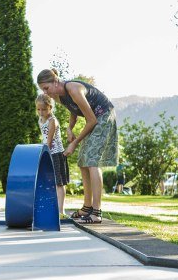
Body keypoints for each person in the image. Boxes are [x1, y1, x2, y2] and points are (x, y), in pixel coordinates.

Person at [37, 69, 118, 223]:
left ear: (55, 82)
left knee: (92, 161)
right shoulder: (58, 96)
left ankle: (96, 212)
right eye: (42, 90)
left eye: (46, 88)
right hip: (95, 118)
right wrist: (69, 128)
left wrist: (74, 142)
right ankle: (87, 207)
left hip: (104, 115)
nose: (46, 93)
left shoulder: (73, 89)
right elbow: (74, 110)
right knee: (82, 161)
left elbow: (92, 120)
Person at [36, 94, 69, 215]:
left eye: (44, 109)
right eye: (38, 109)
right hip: (46, 151)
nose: (41, 112)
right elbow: (44, 139)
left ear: (50, 107)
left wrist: (42, 154)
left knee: (58, 182)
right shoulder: (40, 119)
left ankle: (61, 210)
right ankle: (50, 207)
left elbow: (49, 142)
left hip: (56, 154)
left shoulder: (52, 121)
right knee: (48, 182)